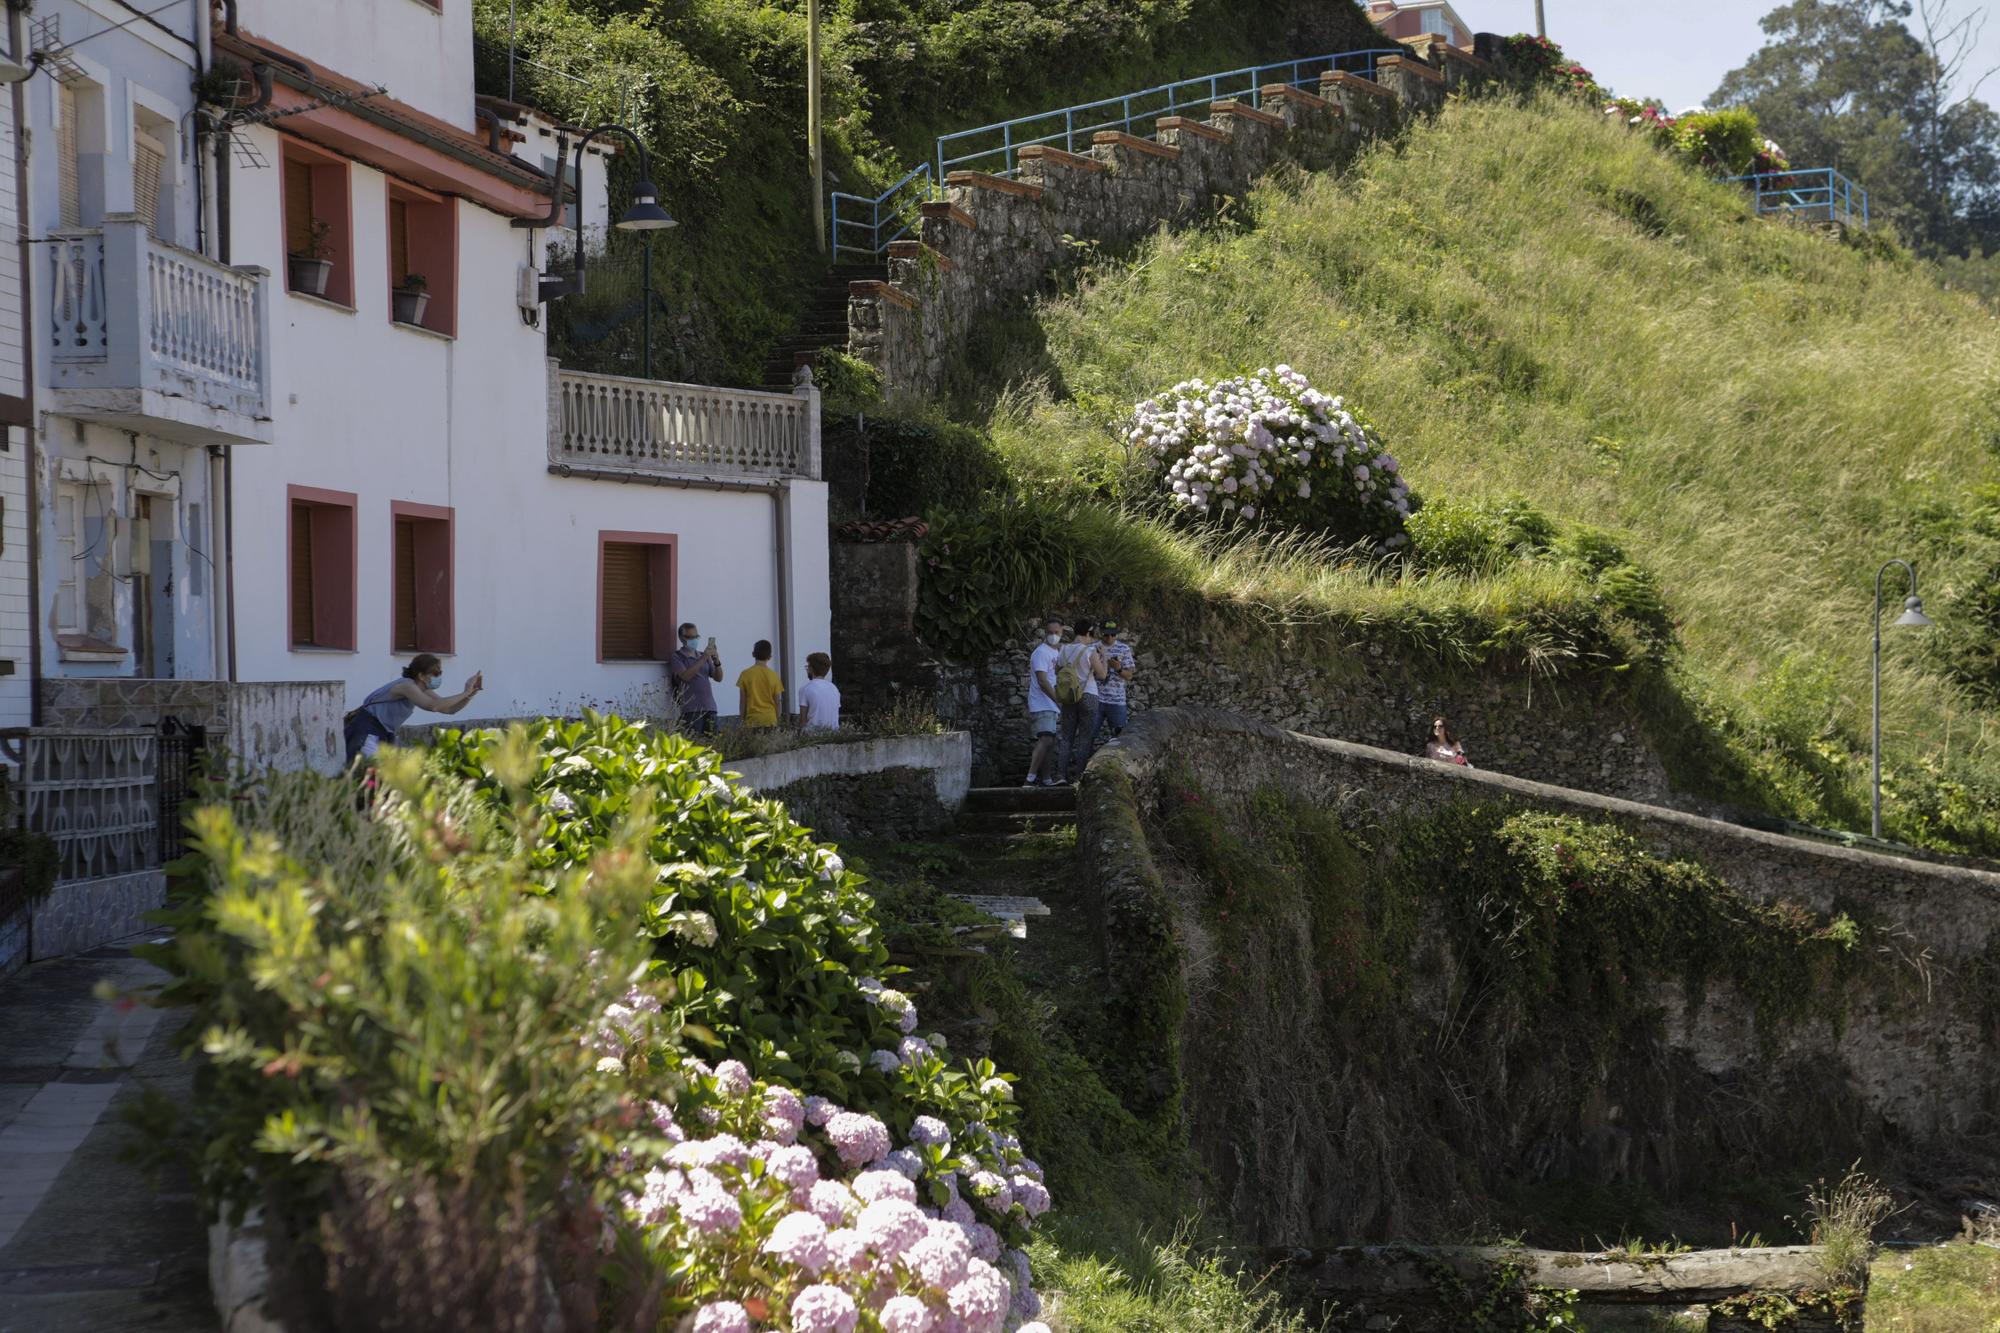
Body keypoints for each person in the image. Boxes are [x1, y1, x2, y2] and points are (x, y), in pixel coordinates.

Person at [343, 654, 483, 766]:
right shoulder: (407, 686)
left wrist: (469, 695)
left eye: (440, 673)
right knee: (369, 777)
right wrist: (464, 692)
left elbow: (449, 709)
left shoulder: (422, 688)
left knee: (383, 780)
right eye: (435, 673)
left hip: (381, 734)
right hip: (366, 732)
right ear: (421, 676)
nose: (438, 677)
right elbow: (433, 706)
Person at [1055, 619, 1107, 784]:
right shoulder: (1089, 651)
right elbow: (1102, 674)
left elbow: (1058, 671)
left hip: (1069, 696)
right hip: (1088, 695)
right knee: (1084, 738)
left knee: (1066, 737)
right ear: (1089, 632)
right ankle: (1079, 778)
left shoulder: (1062, 650)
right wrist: (1103, 657)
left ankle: (1060, 776)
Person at [1023, 618, 1063, 787]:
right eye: (1050, 633)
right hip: (1042, 702)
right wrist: (1058, 699)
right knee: (1045, 739)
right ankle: (1029, 779)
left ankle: (1047, 779)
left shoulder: (1057, 653)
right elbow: (1042, 680)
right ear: (1045, 634)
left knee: (1049, 741)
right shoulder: (1041, 653)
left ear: (1062, 633)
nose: (1054, 636)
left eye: (1057, 633)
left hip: (1051, 704)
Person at [671, 622, 724, 735]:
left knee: (713, 745)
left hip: (710, 707)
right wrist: (704, 658)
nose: (693, 640)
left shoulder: (702, 655)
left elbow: (718, 678)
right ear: (681, 638)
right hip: (691, 710)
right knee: (694, 745)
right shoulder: (677, 656)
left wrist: (717, 662)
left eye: (695, 636)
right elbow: (685, 676)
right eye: (689, 637)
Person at [1090, 619, 1136, 748]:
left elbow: (1129, 676)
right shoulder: (1092, 648)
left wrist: (1118, 668)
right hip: (1095, 699)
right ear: (1101, 633)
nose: (1110, 637)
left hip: (1117, 701)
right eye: (1106, 634)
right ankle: (1082, 767)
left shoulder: (1124, 648)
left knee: (1119, 738)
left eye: (1113, 634)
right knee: (1088, 736)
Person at [736, 639, 784, 728]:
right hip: (770, 719)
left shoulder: (745, 674)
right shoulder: (774, 676)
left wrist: (741, 721)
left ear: (753, 654)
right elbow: (777, 702)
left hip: (752, 720)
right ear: (770, 657)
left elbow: (743, 701)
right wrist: (778, 721)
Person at [799, 652, 841, 731]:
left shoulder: (805, 689)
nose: (807, 669)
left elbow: (802, 720)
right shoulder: (834, 689)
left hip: (813, 734)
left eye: (807, 667)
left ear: (811, 669)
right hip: (834, 734)